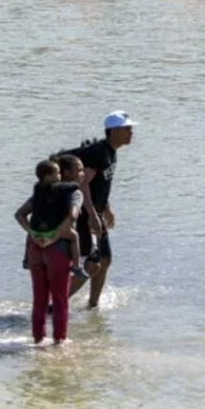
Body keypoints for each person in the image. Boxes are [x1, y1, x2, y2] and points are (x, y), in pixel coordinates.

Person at [62, 110, 137, 308]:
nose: (131, 133)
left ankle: (92, 306)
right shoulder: (99, 153)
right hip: (86, 214)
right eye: (127, 129)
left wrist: (107, 208)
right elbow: (83, 184)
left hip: (96, 212)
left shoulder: (110, 152)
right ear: (113, 131)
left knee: (105, 260)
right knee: (93, 264)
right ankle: (56, 304)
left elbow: (100, 185)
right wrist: (92, 216)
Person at [14, 158, 84, 344]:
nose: (83, 174)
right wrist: (56, 235)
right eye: (80, 170)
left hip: (35, 249)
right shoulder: (74, 193)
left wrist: (33, 233)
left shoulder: (39, 194)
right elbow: (73, 214)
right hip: (58, 251)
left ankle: (37, 339)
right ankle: (59, 341)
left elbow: (20, 214)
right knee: (60, 300)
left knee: (39, 299)